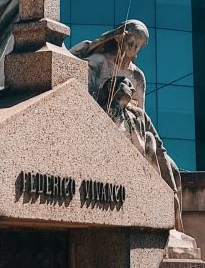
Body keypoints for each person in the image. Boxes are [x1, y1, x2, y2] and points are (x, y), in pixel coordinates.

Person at [96, 76, 183, 229]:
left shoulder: (138, 115)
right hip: (115, 172)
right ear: (112, 87)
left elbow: (160, 148)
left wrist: (171, 190)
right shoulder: (100, 112)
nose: (133, 89)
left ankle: (158, 194)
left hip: (143, 168)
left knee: (149, 139)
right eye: (127, 84)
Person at [71, 20, 150, 111]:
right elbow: (70, 61)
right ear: (119, 38)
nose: (132, 48)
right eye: (130, 43)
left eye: (137, 46)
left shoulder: (138, 76)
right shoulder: (99, 61)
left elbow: (141, 112)